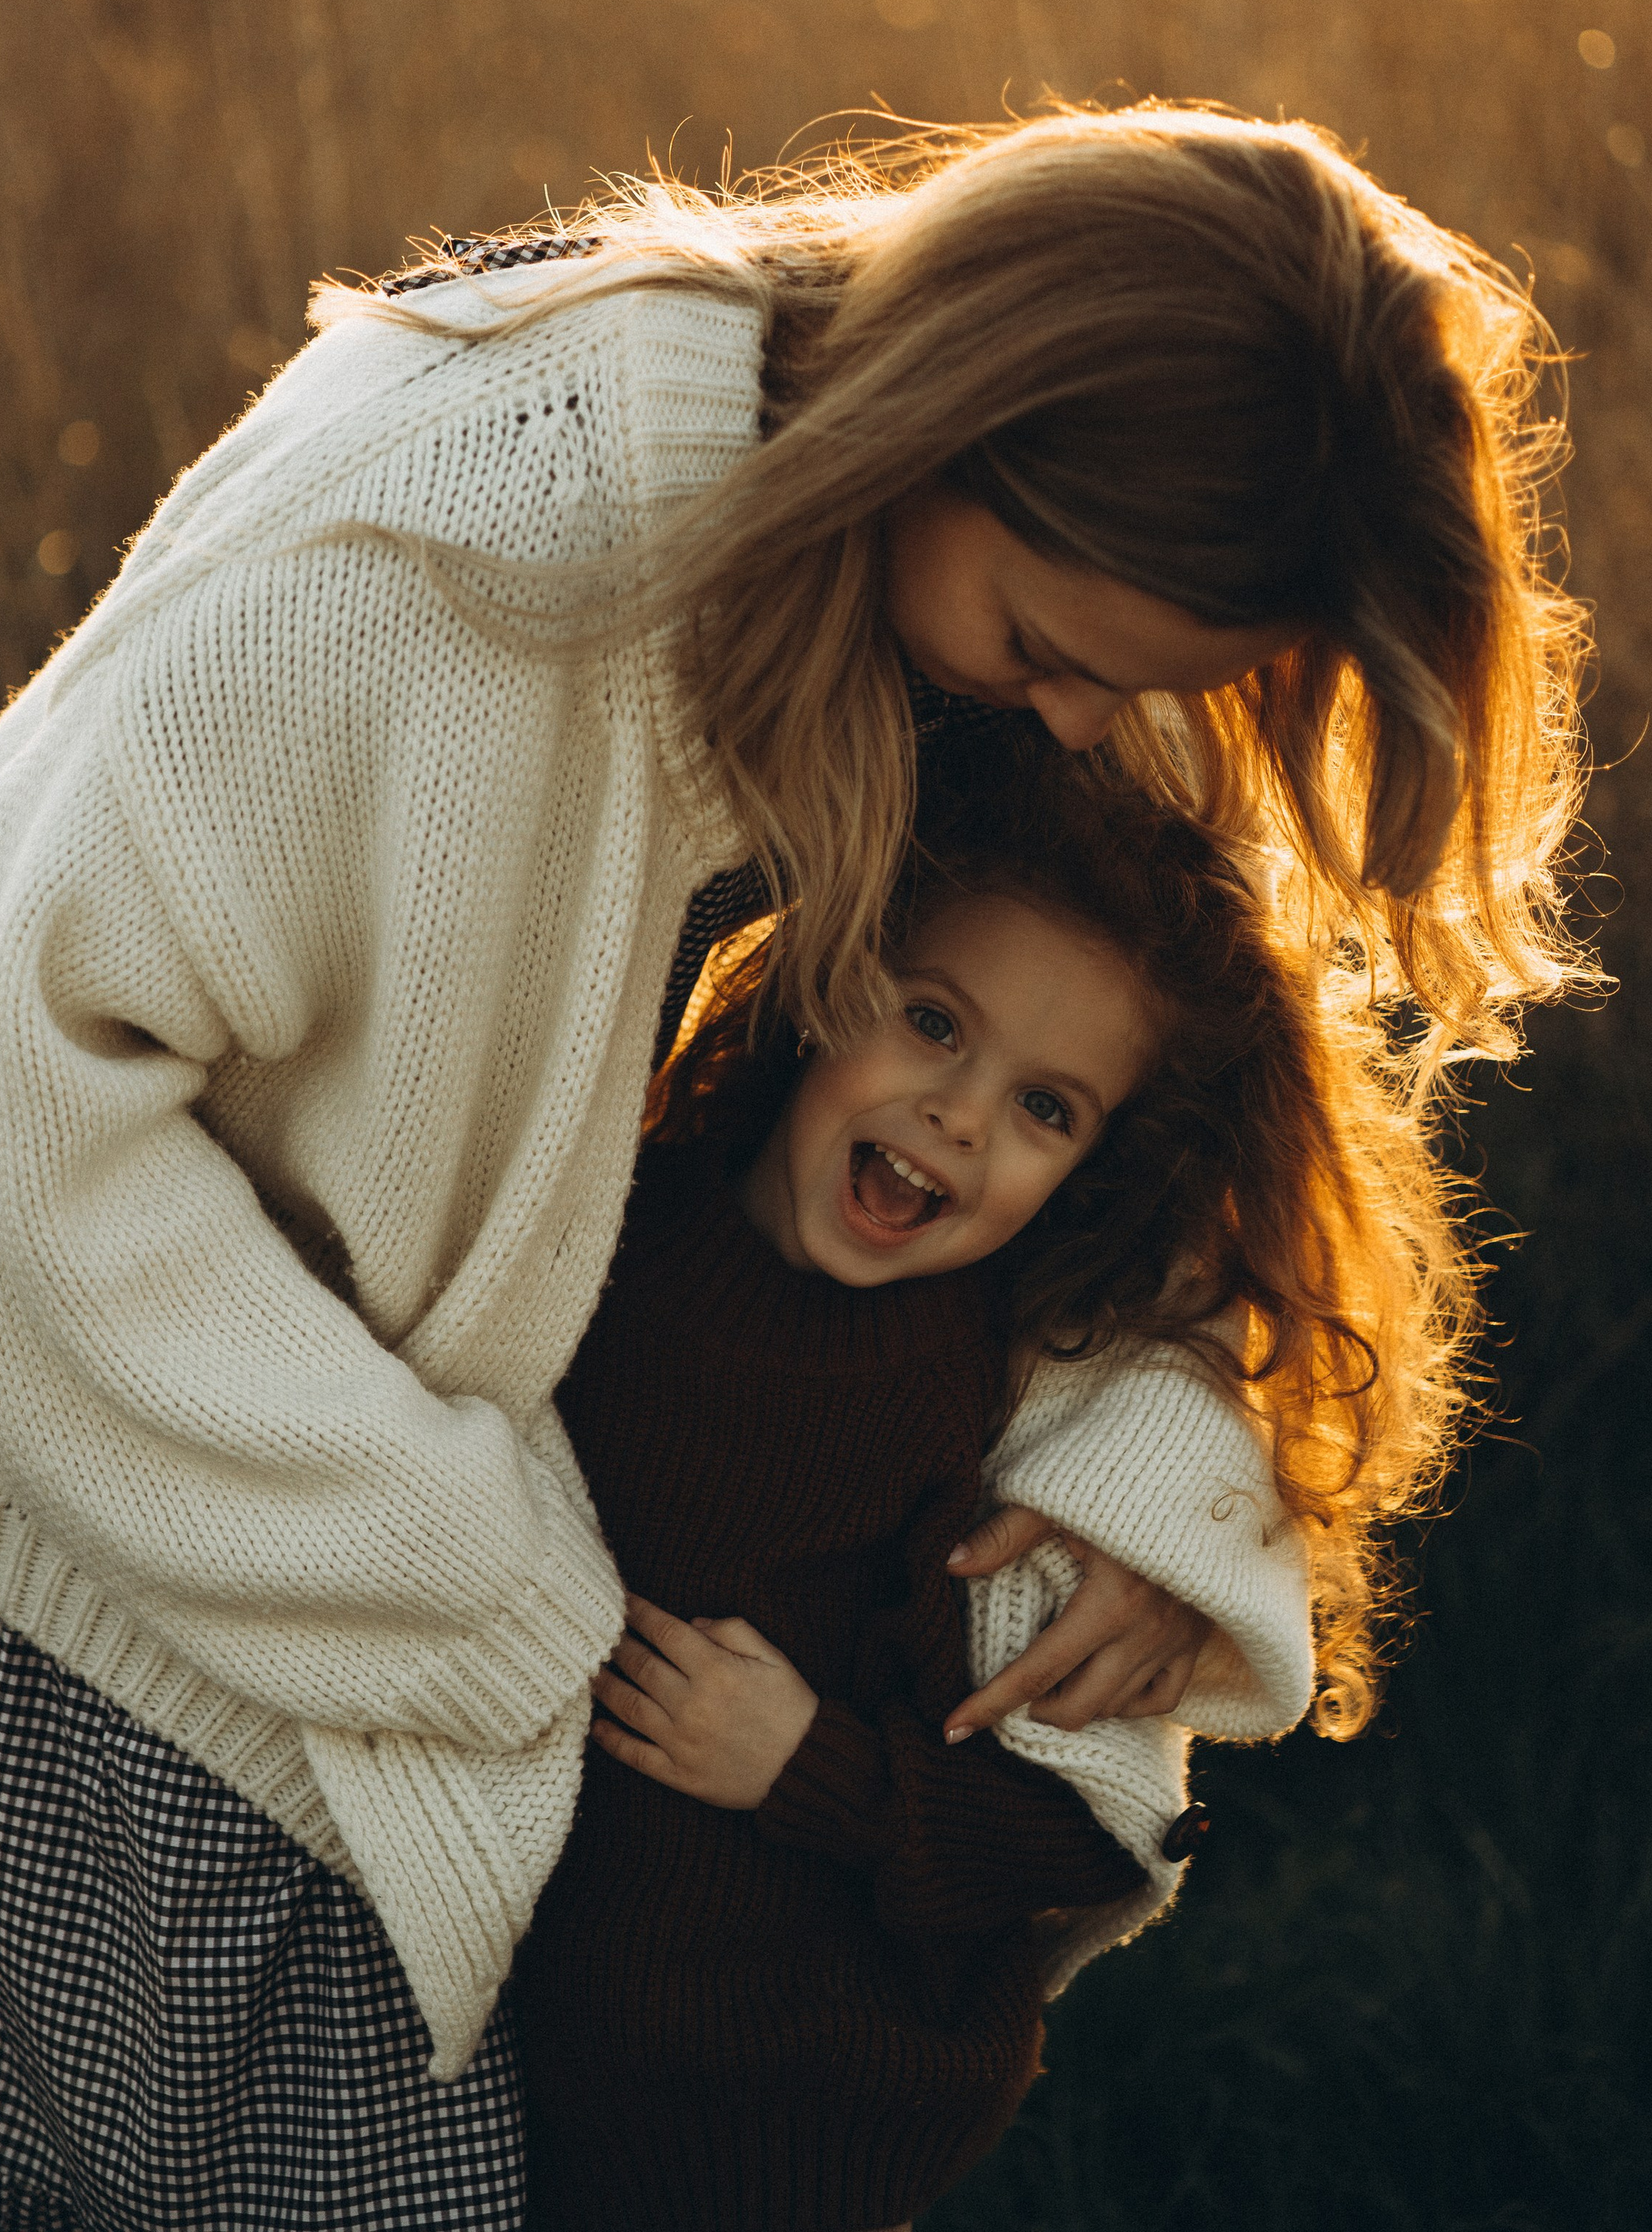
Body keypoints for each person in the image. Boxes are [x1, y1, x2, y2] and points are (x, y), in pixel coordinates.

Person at [0, 106, 1587, 2227]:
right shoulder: (458, 563)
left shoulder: (911, 566)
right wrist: (493, 1585)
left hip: (425, 1608)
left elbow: (1142, 1051)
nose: (1074, 729)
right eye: (1052, 655)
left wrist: (1141, 1470)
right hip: (107, 1565)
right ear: (959, 422)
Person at [516, 725, 1469, 2232]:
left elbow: (1073, 1828)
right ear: (831, 979)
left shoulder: (994, 1395)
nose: (959, 1115)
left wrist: (813, 1766)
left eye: (1046, 1109)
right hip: (510, 2055)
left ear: (1092, 1168)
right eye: (932, 1023)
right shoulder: (607, 1215)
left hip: (790, 2118)